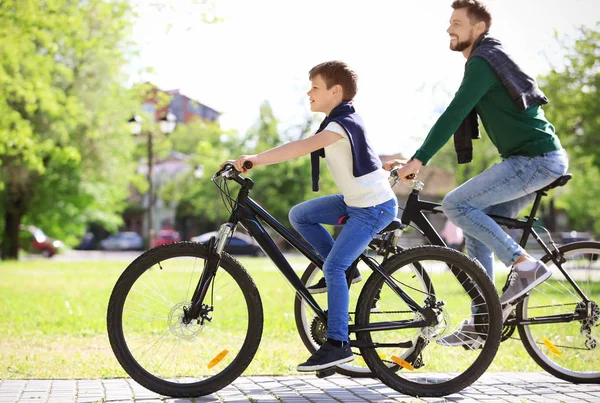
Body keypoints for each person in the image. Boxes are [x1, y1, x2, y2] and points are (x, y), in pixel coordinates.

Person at [385, 0, 568, 347]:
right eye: (449, 22)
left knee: (455, 204)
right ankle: (484, 321)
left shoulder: (483, 62)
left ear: (478, 28)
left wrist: (418, 159)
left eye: (457, 22)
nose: (449, 28)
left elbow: (454, 114)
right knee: (477, 228)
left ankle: (524, 264)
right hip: (531, 158)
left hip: (536, 160)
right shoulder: (486, 61)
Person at [228, 61, 398, 371]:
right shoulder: (339, 122)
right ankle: (345, 273)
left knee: (333, 265)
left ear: (336, 92)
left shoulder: (340, 125)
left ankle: (338, 344)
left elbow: (299, 147)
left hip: (373, 207)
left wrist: (255, 160)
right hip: (355, 201)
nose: (309, 92)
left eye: (315, 87)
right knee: (301, 215)